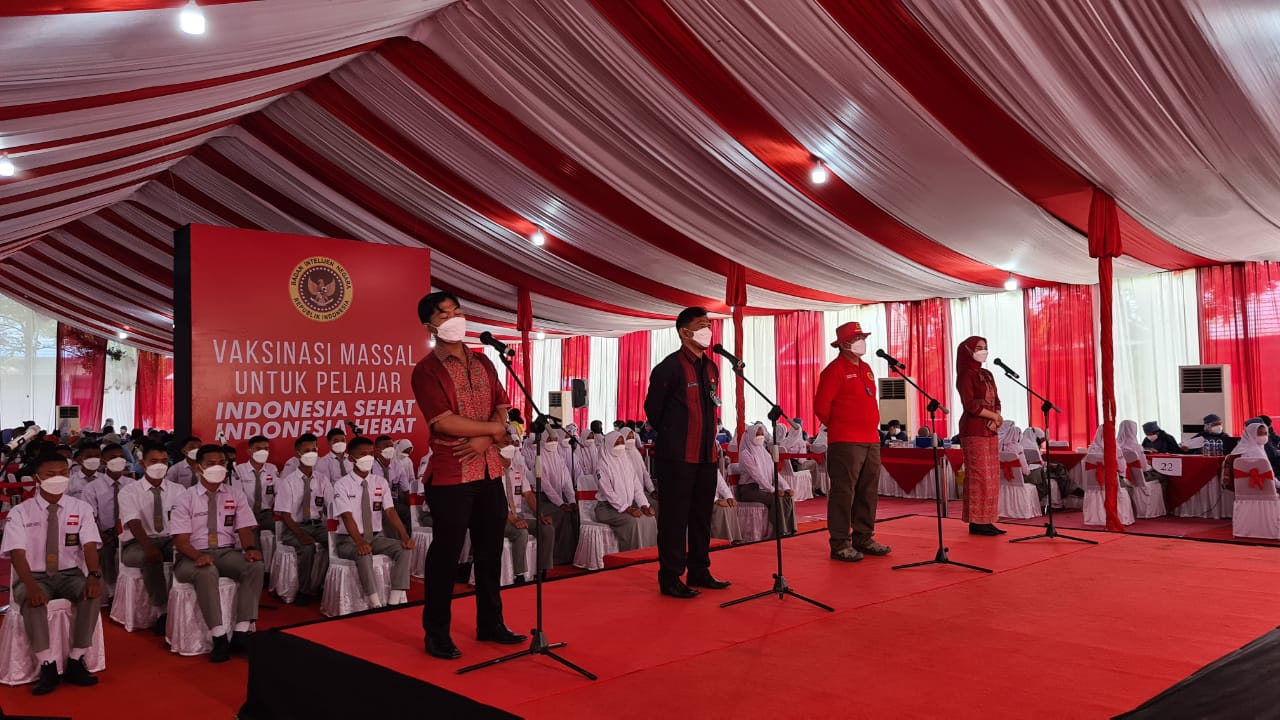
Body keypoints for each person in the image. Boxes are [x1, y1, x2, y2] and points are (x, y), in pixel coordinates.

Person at [412, 291, 525, 661]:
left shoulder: (484, 362)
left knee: (490, 550)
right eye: (444, 314)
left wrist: (488, 436)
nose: (454, 318)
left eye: (457, 311)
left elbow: (503, 407)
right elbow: (443, 422)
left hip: (489, 469)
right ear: (429, 324)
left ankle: (490, 623)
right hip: (451, 474)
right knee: (446, 553)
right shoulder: (426, 370)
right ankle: (437, 632)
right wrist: (488, 434)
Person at [643, 306, 729, 599]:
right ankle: (670, 576)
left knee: (702, 515)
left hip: (706, 455)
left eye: (709, 325)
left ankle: (699, 570)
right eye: (702, 325)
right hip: (677, 456)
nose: (708, 330)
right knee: (674, 519)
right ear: (685, 332)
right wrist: (675, 433)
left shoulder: (711, 367)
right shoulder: (669, 367)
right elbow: (653, 410)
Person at [1, 451, 104, 695]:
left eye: (63, 473)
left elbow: (89, 545)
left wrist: (94, 576)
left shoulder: (81, 508)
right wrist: (31, 586)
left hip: (70, 574)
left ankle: (76, 659)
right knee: (32, 599)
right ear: (37, 478)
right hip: (35, 576)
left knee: (91, 594)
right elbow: (17, 554)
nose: (58, 478)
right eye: (51, 474)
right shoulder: (21, 512)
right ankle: (47, 664)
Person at [169, 444, 264, 663]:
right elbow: (181, 542)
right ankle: (219, 636)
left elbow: (245, 528)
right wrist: (197, 556)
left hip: (226, 551)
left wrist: (250, 549)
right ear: (198, 468)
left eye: (222, 463)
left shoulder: (235, 495)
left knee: (255, 566)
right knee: (206, 571)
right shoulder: (186, 498)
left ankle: (241, 631)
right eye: (211, 464)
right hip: (191, 555)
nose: (218, 468)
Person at [814, 321, 889, 561]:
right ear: (844, 344)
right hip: (846, 440)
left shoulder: (866, 367)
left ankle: (864, 537)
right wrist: (840, 426)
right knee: (844, 493)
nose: (862, 342)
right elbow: (821, 407)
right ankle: (840, 542)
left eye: (863, 337)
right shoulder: (833, 370)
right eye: (857, 338)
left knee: (868, 491)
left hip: (871, 439)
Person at [332, 437, 414, 609]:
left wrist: (405, 536)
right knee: (364, 554)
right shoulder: (342, 485)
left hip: (375, 537)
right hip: (349, 540)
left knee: (403, 549)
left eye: (370, 454)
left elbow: (390, 512)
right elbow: (347, 517)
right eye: (363, 454)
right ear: (350, 458)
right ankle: (375, 602)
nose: (368, 458)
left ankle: (394, 598)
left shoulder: (380, 482)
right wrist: (359, 542)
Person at [120, 442, 183, 634]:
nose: (160, 465)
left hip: (169, 538)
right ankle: (161, 612)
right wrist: (147, 546)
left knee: (185, 553)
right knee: (150, 557)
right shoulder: (129, 491)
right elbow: (133, 522)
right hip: (136, 543)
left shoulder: (178, 490)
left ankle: (182, 604)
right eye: (154, 461)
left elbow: (183, 521)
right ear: (143, 463)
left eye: (164, 461)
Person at [956, 336, 1005, 536]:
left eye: (985, 347)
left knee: (992, 477)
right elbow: (971, 405)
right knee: (979, 476)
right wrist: (993, 416)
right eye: (978, 348)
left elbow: (996, 400)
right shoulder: (966, 375)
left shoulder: (987, 373)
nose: (983, 351)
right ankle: (976, 522)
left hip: (990, 429)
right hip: (974, 429)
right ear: (968, 351)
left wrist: (997, 418)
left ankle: (989, 519)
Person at [274, 434, 329, 606]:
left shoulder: (322, 478)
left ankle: (323, 585)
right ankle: (305, 590)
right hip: (294, 526)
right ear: (298, 454)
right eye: (307, 451)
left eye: (314, 450)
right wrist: (300, 535)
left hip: (317, 525)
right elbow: (285, 514)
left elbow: (332, 504)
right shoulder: (288, 481)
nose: (311, 454)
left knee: (336, 542)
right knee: (307, 548)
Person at [81, 442, 134, 602]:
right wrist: (101, 535)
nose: (118, 461)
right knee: (106, 552)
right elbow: (90, 517)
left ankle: (132, 590)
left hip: (130, 530)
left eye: (121, 457)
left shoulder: (132, 484)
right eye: (113, 458)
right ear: (103, 462)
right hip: (106, 531)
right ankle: (112, 592)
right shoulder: (92, 488)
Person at [498, 440, 553, 583]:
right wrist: (514, 520)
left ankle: (541, 570)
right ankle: (519, 575)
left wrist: (540, 516)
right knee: (521, 532)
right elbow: (498, 502)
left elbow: (528, 495)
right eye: (506, 443)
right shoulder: (492, 472)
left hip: (517, 515)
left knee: (547, 529)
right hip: (499, 517)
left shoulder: (518, 469)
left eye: (511, 443)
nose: (510, 445)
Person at [593, 431, 657, 551]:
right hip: (607, 508)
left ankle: (649, 556)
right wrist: (627, 509)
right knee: (633, 522)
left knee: (650, 519)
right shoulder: (602, 465)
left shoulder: (626, 462)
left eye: (622, 442)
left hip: (626, 506)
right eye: (616, 443)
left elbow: (637, 487)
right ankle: (632, 558)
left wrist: (644, 505)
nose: (620, 445)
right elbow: (609, 493)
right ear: (609, 445)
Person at [736, 423, 798, 537]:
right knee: (776, 498)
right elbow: (757, 476)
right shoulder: (746, 454)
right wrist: (773, 490)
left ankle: (790, 528)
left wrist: (786, 487)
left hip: (764, 488)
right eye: (757, 434)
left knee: (787, 496)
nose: (760, 436)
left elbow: (775, 473)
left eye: (761, 434)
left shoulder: (765, 453)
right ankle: (778, 531)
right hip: (749, 490)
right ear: (750, 435)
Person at [533, 429, 580, 566]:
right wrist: (561, 504)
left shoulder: (558, 457)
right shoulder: (539, 458)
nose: (552, 443)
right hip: (541, 499)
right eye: (549, 440)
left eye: (554, 440)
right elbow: (545, 485)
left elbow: (566, 482)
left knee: (575, 513)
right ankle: (559, 556)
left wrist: (571, 501)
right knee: (562, 515)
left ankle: (574, 552)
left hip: (557, 499)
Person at [233, 435, 278, 540]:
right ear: (249, 451)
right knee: (253, 543)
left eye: (266, 449)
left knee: (282, 535)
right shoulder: (238, 470)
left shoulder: (272, 468)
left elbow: (279, 492)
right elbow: (238, 497)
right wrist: (248, 518)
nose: (262, 452)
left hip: (266, 514)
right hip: (246, 514)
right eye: (258, 449)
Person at [372, 435, 413, 537]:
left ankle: (408, 540)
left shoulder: (397, 466)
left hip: (393, 503)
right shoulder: (371, 467)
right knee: (388, 516)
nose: (390, 449)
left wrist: (410, 506)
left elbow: (405, 490)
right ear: (377, 450)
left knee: (409, 513)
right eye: (386, 446)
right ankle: (394, 542)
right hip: (376, 504)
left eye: (391, 446)